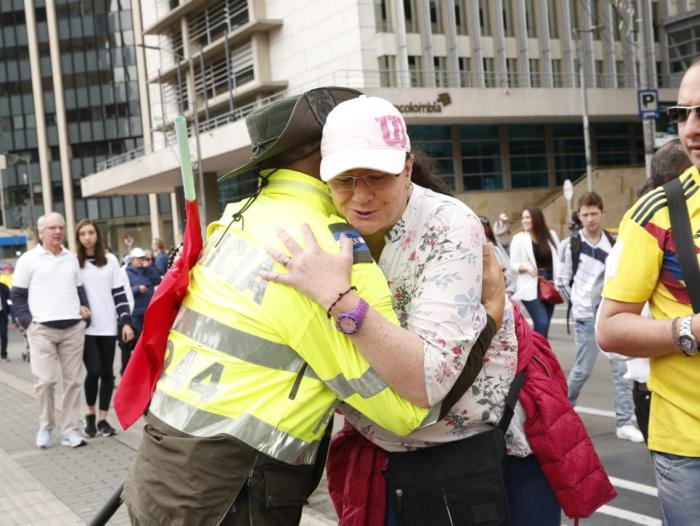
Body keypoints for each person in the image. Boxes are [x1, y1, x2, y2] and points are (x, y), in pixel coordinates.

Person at [121, 87, 462, 526]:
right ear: (330, 156)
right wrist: (489, 319)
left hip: (160, 472)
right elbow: (404, 409)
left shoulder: (236, 217)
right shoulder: (327, 249)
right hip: (228, 495)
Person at [261, 95, 563, 525]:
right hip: (394, 458)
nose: (361, 195)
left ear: (406, 167)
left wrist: (340, 300)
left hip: (485, 449)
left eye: (376, 177)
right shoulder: (323, 223)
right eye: (346, 179)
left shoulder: (449, 226)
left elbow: (426, 383)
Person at [597, 59, 700, 526]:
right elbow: (611, 328)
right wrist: (689, 330)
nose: (691, 129)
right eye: (682, 114)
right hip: (689, 444)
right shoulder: (656, 211)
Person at [557, 192, 643, 443]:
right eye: (585, 214)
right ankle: (562, 413)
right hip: (585, 319)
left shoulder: (614, 244)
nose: (591, 218)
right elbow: (561, 282)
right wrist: (578, 304)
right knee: (582, 370)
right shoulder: (569, 245)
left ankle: (624, 422)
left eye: (594, 213)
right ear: (579, 216)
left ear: (602, 213)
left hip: (611, 317)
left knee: (621, 370)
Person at [10, 212, 91, 449]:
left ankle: (70, 431)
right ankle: (46, 426)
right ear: (41, 232)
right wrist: (28, 323)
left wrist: (84, 311)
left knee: (74, 383)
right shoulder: (28, 259)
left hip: (73, 328)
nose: (57, 232)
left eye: (61, 227)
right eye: (52, 228)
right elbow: (17, 296)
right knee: (44, 381)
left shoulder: (71, 258)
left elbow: (79, 289)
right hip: (42, 330)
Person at [75, 219, 135, 438]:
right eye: (83, 234)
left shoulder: (110, 261)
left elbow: (119, 293)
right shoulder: (75, 263)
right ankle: (89, 414)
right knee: (94, 371)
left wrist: (126, 321)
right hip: (86, 328)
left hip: (109, 326)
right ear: (78, 238)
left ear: (97, 235)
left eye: (91, 232)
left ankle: (102, 419)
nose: (87, 237)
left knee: (108, 374)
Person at [510, 206, 561, 338]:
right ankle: (538, 356)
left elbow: (559, 259)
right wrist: (526, 268)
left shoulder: (551, 235)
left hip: (549, 283)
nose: (524, 220)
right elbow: (513, 264)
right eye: (523, 218)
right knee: (542, 322)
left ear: (537, 218)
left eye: (528, 217)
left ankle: (539, 354)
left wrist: (559, 282)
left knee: (544, 326)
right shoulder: (519, 239)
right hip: (530, 283)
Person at [123, 247, 160, 374]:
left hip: (148, 309)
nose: (141, 261)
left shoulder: (146, 270)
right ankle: (132, 367)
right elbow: (125, 290)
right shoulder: (126, 272)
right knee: (138, 340)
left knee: (149, 339)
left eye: (142, 258)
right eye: (138, 259)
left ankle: (146, 365)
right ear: (132, 259)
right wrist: (138, 289)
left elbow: (157, 280)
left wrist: (148, 267)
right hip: (136, 311)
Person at [480, 215, 515, 295]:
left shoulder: (496, 245)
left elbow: (507, 265)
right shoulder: (479, 250)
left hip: (507, 288)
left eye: (485, 227)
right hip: (495, 292)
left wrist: (505, 278)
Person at [0, 267, 9, 362]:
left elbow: (10, 299)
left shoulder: (3, 287)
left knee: (3, 334)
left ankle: (3, 355)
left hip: (2, 314)